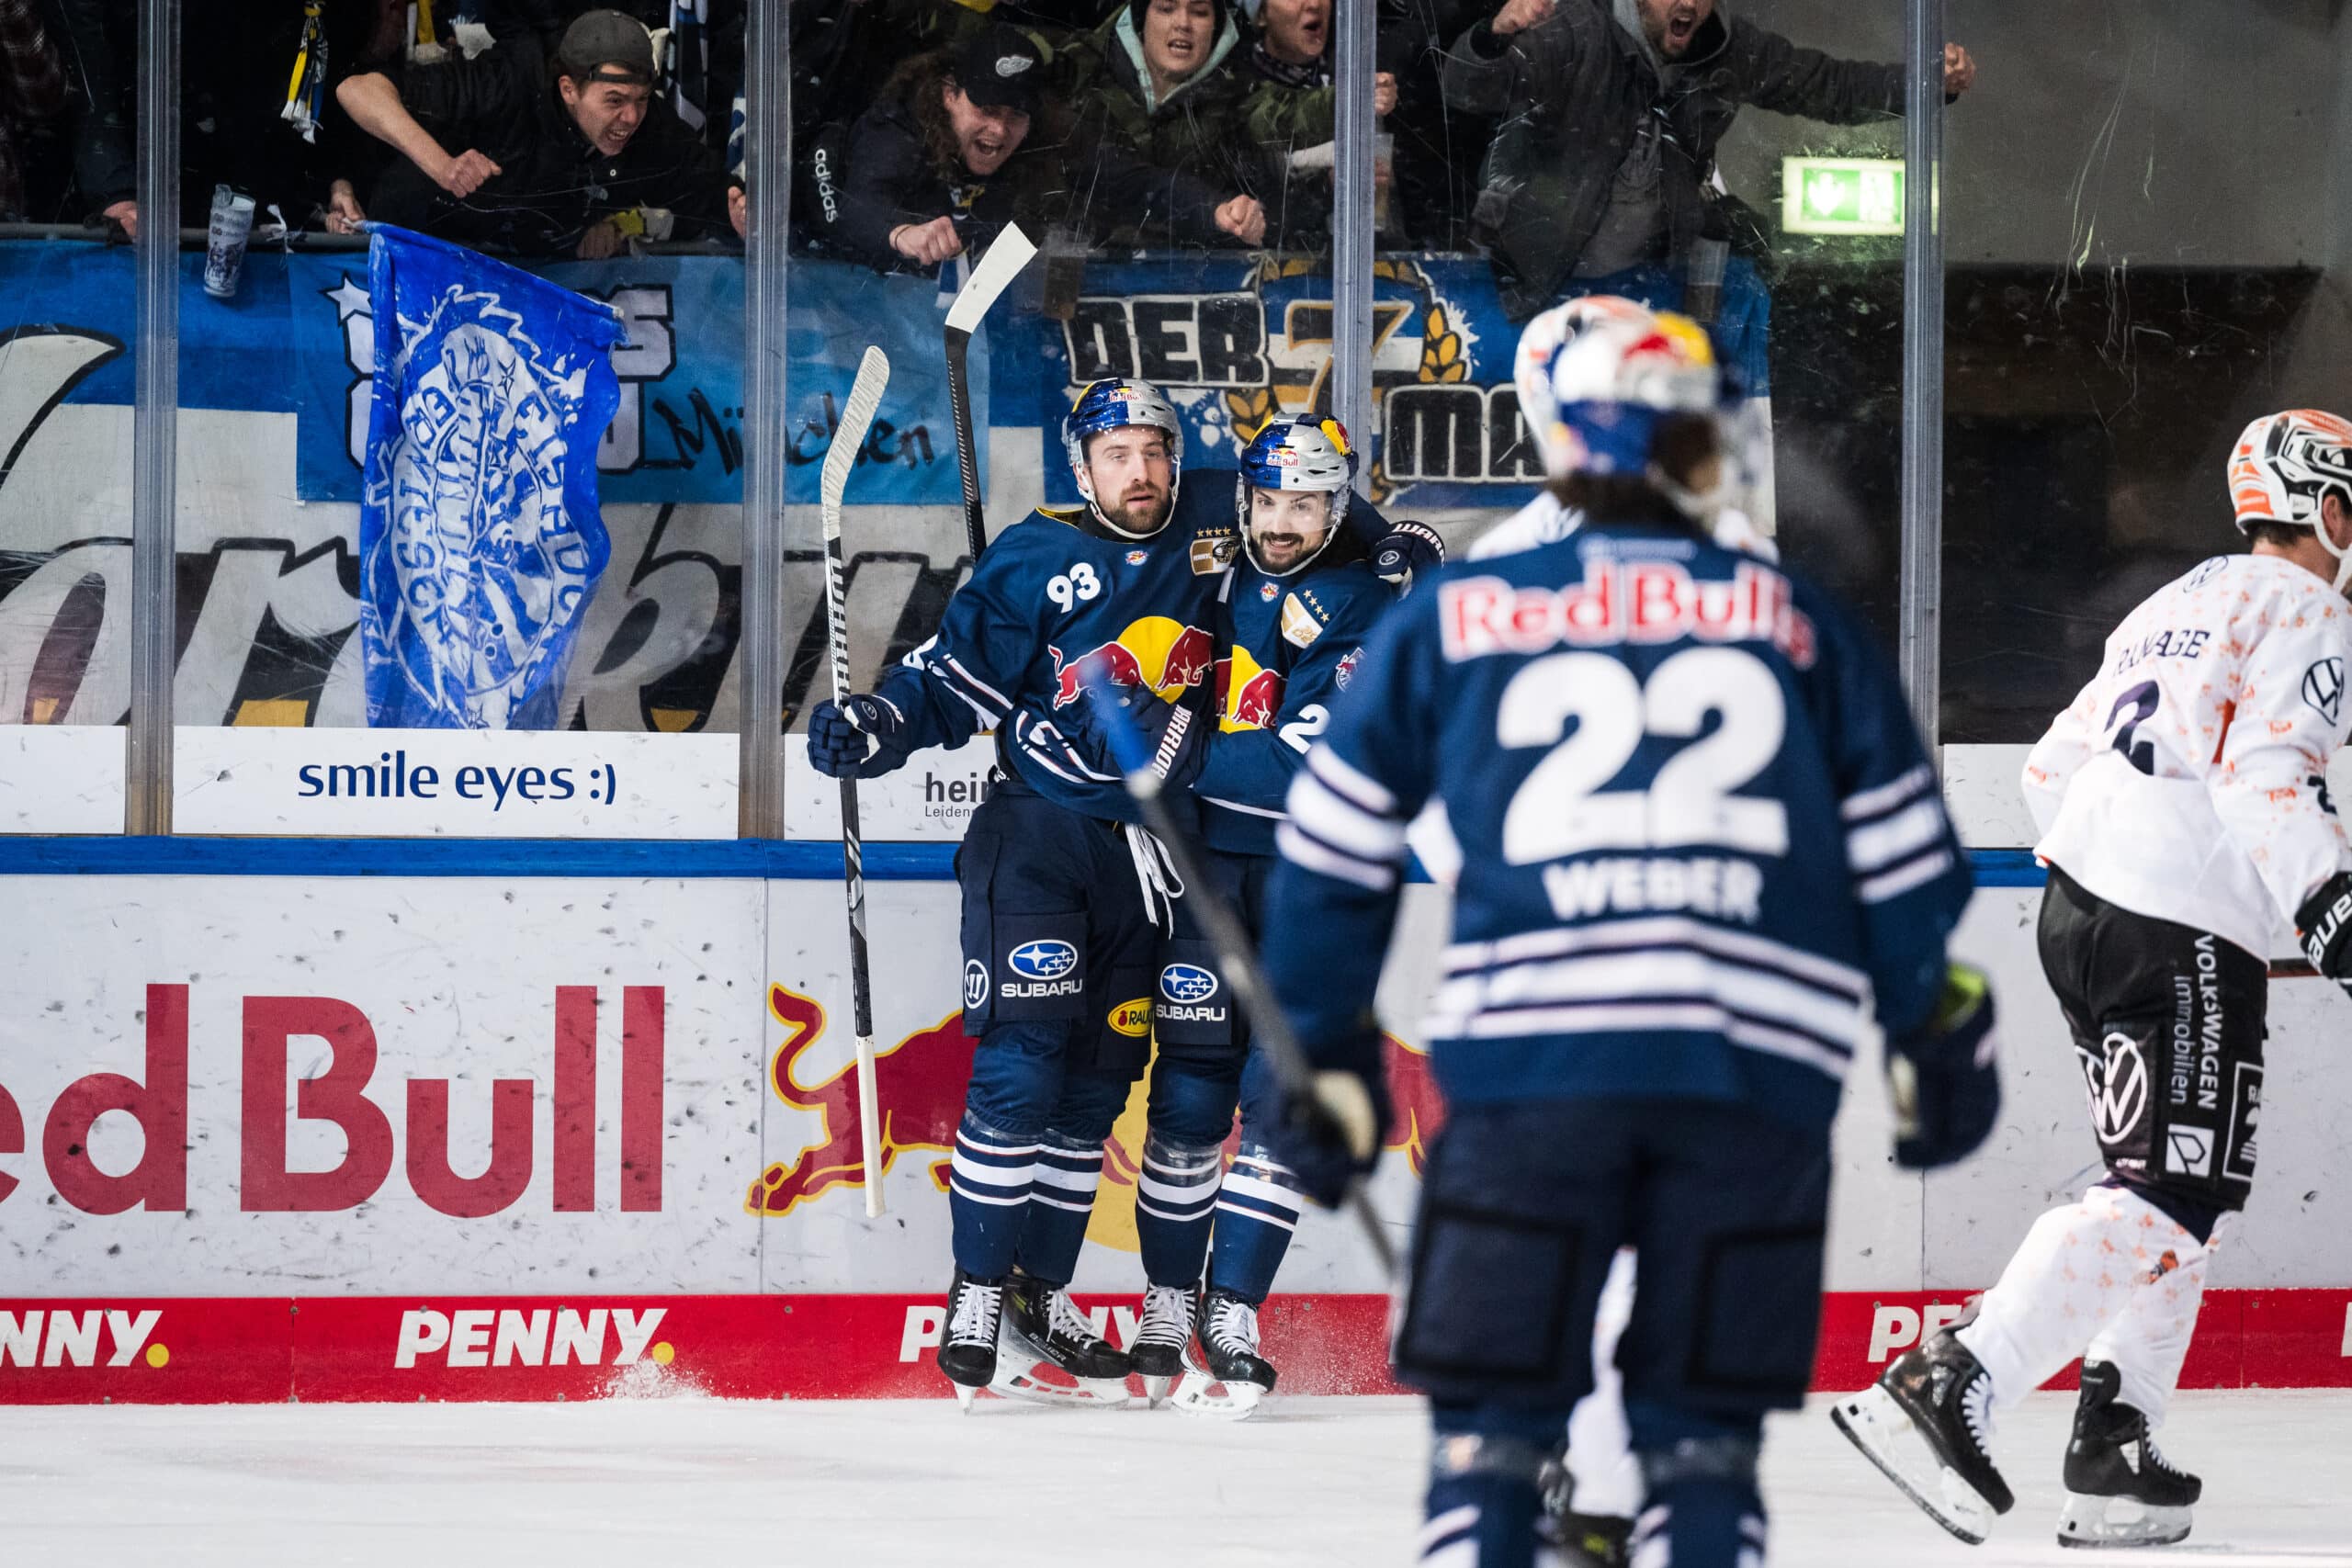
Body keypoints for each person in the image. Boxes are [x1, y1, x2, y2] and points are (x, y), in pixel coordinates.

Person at [1254, 299, 2000, 1568]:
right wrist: (1938, 1030)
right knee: (1704, 1447)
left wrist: (1315, 1057)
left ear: (1567, 445)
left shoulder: (1462, 609)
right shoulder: (1798, 618)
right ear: (1700, 445)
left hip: (1530, 1080)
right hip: (1749, 1085)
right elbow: (1906, 863)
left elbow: (1330, 854)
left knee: (1490, 1444)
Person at [1834, 409, 2352, 1551]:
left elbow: (2050, 765)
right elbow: (2271, 775)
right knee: (2171, 1191)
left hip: (2083, 913)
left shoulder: (2176, 601)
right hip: (2172, 931)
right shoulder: (2310, 609)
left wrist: (2132, 871)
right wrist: (2330, 918)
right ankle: (1953, 1376)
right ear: (2325, 507)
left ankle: (2115, 1449)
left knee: (2170, 1185)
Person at [807, 378, 1227, 1409]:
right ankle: (976, 1294)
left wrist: (1392, 541)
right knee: (1022, 1068)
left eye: (1154, 451)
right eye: (1118, 454)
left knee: (1095, 1087)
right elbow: (953, 684)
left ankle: (1042, 1291)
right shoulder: (1033, 556)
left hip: (1149, 854)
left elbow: (1318, 516)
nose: (1142, 471)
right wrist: (882, 727)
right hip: (1038, 838)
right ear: (1080, 469)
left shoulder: (1221, 521)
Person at [1117, 418, 1397, 1417]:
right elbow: (1133, 497)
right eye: (1270, 503)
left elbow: (1302, 765)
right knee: (1189, 1093)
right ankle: (1162, 1304)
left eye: (1309, 505)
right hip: (1208, 869)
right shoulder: (1211, 565)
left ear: (1336, 507)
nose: (1283, 524)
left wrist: (1170, 749)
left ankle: (1229, 1309)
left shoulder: (1368, 603)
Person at [1440, 0, 1975, 321]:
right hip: (1534, 282)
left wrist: (1925, 83)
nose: (1690, 4)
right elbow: (1469, 92)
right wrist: (1493, 38)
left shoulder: (1728, 49)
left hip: (1646, 288)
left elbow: (1829, 86)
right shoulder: (1576, 28)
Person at [337, 7, 748, 257]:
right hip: (415, 251)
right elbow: (357, 90)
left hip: (524, 280)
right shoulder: (507, 86)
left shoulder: (650, 128)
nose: (630, 117)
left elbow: (714, 196)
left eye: (641, 99)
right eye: (614, 100)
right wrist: (443, 166)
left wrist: (740, 214)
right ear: (569, 89)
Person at [1057, 0, 1269, 249]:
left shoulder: (1239, 96)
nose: (1183, 24)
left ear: (1218, 27)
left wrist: (1243, 215)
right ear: (1140, 19)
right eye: (1166, 8)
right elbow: (1124, 179)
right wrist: (1210, 209)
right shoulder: (1075, 69)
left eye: (1199, 13)